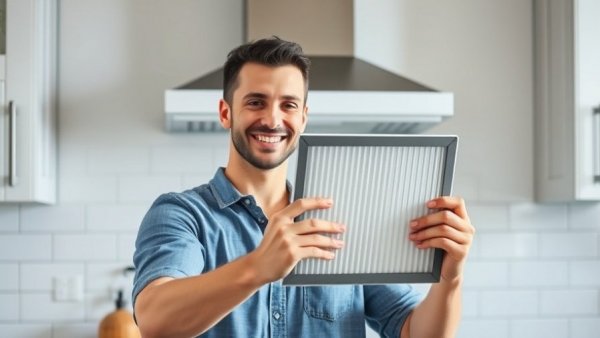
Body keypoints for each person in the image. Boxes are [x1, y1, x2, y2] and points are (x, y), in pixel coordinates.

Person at [132, 37, 475, 338]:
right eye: (255, 102)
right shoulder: (182, 215)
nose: (273, 119)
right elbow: (154, 321)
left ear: (303, 118)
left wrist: (451, 278)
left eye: (288, 105)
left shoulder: (340, 219)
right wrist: (256, 269)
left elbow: (415, 331)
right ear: (226, 113)